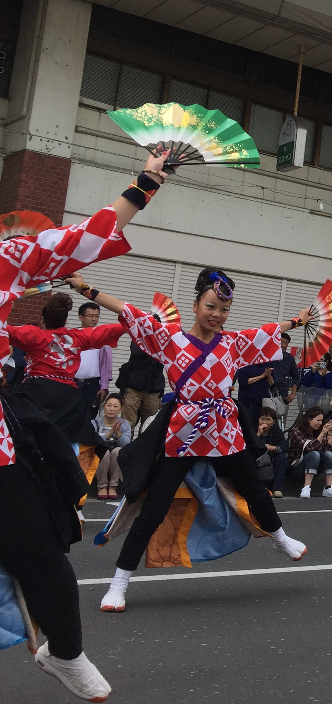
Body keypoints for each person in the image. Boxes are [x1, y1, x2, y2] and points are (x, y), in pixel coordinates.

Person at [0, 153, 170, 700]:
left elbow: (79, 239)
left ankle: (66, 652)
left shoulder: (5, 262)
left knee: (47, 558)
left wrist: (143, 184)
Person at [72, 266, 313, 614]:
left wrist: (297, 320)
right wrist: (88, 290)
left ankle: (279, 538)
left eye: (224, 310)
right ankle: (119, 583)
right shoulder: (170, 339)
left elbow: (269, 332)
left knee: (254, 488)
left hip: (224, 430)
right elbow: (129, 312)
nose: (217, 315)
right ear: (197, 303)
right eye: (211, 306)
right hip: (184, 434)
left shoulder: (233, 343)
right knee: (153, 509)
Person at [9, 292, 127, 454]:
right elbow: (109, 330)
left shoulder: (32, 334)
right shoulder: (77, 337)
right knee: (68, 440)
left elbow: (5, 330)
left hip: (37, 392)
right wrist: (146, 318)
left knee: (23, 433)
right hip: (68, 398)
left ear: (42, 320)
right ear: (65, 320)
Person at [286, 407, 332, 498]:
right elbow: (309, 448)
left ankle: (329, 487)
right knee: (314, 454)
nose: (320, 423)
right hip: (296, 468)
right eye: (317, 420)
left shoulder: (317, 431)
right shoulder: (297, 431)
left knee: (329, 455)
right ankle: (306, 487)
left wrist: (330, 433)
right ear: (309, 420)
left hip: (314, 466)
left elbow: (327, 449)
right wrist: (322, 434)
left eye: (321, 421)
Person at [115, 339, 165, 436]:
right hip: (133, 387)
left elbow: (162, 365)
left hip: (153, 389)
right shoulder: (138, 335)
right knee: (128, 421)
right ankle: (126, 446)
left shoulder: (161, 339)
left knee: (150, 423)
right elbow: (136, 351)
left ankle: (144, 448)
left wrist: (160, 395)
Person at [74, 301, 113, 420]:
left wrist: (104, 386)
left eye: (97, 316)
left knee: (89, 417)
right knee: (72, 415)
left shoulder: (102, 336)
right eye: (91, 316)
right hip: (73, 383)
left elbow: (106, 364)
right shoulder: (73, 335)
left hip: (93, 385)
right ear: (81, 317)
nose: (94, 319)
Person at [92, 393, 131, 500]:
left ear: (121, 409)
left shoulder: (125, 424)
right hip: (99, 456)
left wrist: (118, 433)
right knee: (103, 452)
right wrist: (109, 434)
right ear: (104, 406)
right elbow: (93, 442)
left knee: (118, 451)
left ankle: (113, 486)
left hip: (116, 455)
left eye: (115, 406)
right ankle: (102, 486)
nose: (111, 409)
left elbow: (126, 445)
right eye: (109, 405)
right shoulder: (94, 423)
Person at [253, 407, 289, 498]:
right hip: (257, 458)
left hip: (272, 458)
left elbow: (285, 446)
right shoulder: (253, 430)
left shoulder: (276, 431)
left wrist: (275, 448)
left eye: (268, 419)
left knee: (282, 458)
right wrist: (258, 435)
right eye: (262, 419)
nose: (264, 422)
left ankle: (277, 489)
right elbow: (249, 446)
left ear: (273, 422)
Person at [272, 333, 301, 424]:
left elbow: (296, 377)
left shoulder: (290, 358)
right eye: (282, 342)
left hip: (283, 396)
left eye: (286, 343)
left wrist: (293, 394)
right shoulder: (269, 357)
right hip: (268, 394)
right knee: (268, 420)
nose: (284, 345)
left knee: (281, 422)